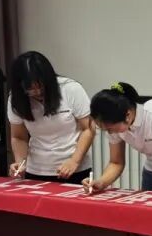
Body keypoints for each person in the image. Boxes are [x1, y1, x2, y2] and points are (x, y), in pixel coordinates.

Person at [7, 51, 93, 184]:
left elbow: (88, 129)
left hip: (75, 169)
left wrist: (74, 161)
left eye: (40, 86)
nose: (37, 92)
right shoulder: (16, 98)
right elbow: (18, 137)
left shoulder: (70, 89)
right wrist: (20, 162)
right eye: (30, 89)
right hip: (37, 170)